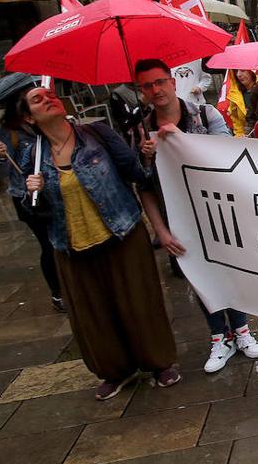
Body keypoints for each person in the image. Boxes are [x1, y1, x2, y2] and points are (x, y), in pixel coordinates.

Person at [18, 85, 181, 400]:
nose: (48, 98)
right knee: (93, 312)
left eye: (50, 94)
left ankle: (159, 362)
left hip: (121, 233)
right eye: (38, 100)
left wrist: (147, 156)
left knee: (139, 302)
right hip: (71, 245)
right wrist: (30, 192)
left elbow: (136, 173)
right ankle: (115, 370)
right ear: (29, 118)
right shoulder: (32, 157)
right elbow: (34, 212)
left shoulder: (97, 134)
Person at [133, 59, 258, 374]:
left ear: (171, 81)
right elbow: (144, 186)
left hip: (217, 211)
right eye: (147, 86)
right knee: (199, 276)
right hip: (178, 219)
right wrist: (160, 230)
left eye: (160, 82)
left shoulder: (205, 115)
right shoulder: (139, 132)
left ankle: (242, 330)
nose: (156, 90)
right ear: (142, 92)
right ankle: (219, 336)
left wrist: (178, 137)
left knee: (229, 270)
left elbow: (224, 158)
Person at [0, 94, 63, 312]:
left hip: (53, 192)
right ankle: (57, 292)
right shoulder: (9, 134)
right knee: (48, 244)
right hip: (28, 199)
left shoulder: (43, 127)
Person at [228, 69, 258, 138]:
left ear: (252, 72)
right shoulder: (234, 95)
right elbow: (236, 121)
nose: (238, 75)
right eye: (236, 71)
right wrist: (239, 136)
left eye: (243, 70)